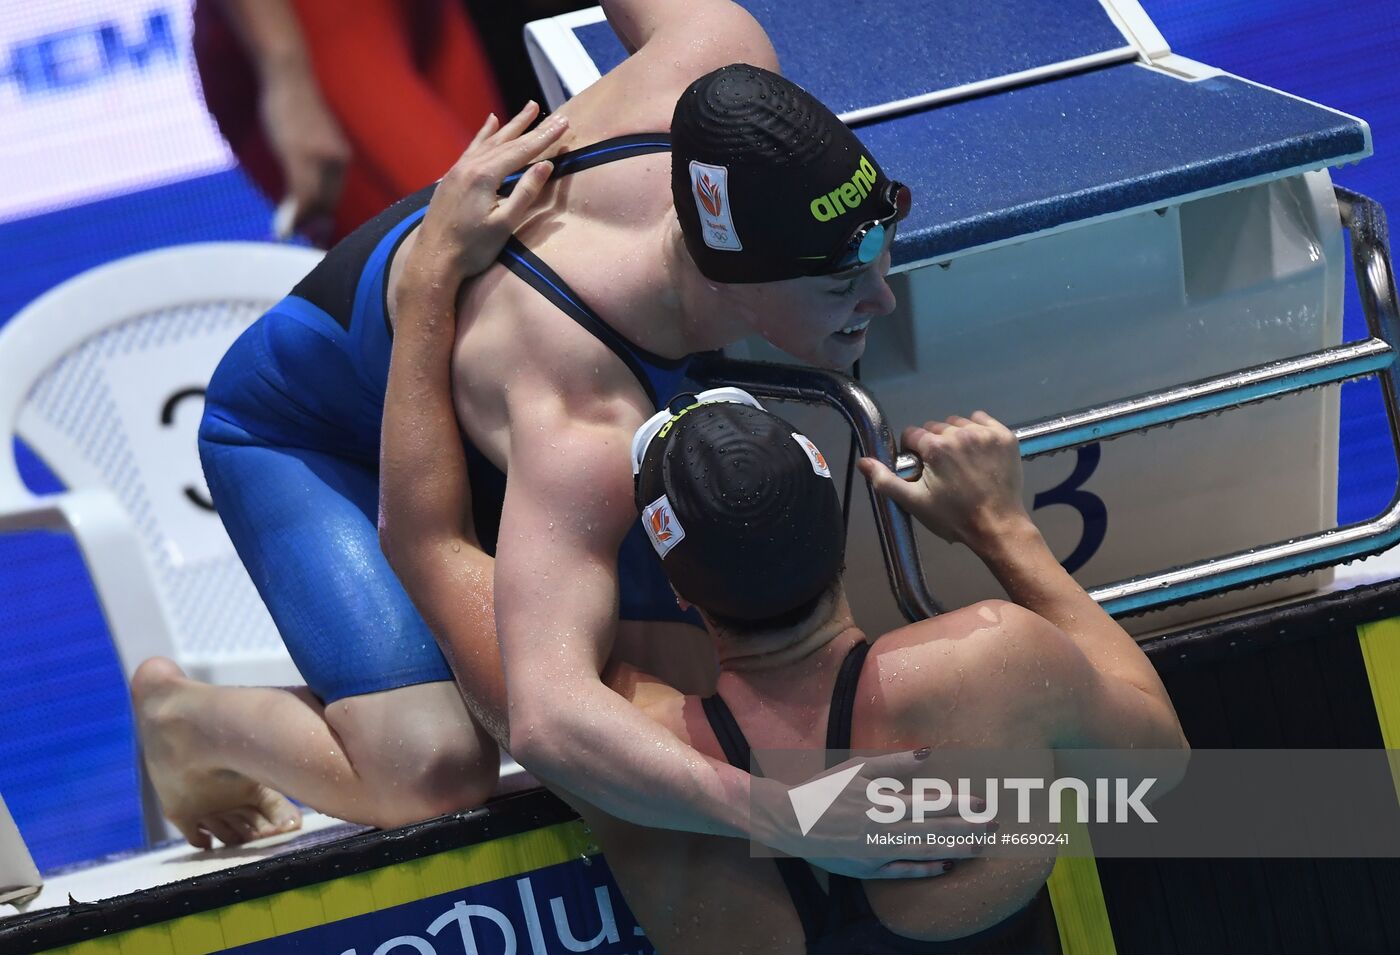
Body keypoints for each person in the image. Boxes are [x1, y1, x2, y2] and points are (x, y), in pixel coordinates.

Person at [137, 0, 943, 874]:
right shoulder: (579, 417)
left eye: (879, 254)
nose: (881, 301)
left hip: (501, 400)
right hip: (312, 430)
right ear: (733, 279)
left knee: (708, 688)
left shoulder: (716, 63)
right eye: (838, 286)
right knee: (432, 767)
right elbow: (552, 721)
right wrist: (788, 817)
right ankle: (185, 720)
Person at [379, 169, 1188, 948]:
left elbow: (422, 540)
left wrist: (428, 277)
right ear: (839, 531)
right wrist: (1004, 529)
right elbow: (1162, 762)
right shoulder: (992, 665)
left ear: (675, 589)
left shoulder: (627, 751)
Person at [194, 0, 505, 245]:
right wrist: (286, 71)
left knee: (525, 206)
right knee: (473, 231)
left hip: (427, 13)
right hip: (310, 27)